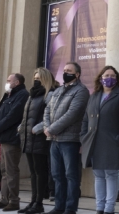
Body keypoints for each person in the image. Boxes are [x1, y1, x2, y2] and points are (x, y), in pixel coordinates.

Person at [81, 66, 119, 214]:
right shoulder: (94, 96)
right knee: (99, 175)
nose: (110, 78)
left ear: (117, 78)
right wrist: (83, 137)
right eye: (107, 75)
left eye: (113, 76)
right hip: (94, 141)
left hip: (112, 142)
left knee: (111, 174)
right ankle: (99, 207)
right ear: (101, 78)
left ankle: (109, 208)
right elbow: (85, 119)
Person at [43, 62, 90, 214]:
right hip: (54, 140)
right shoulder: (58, 90)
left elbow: (72, 114)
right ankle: (59, 206)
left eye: (69, 71)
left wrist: (51, 128)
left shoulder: (81, 91)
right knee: (57, 174)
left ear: (77, 75)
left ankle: (70, 208)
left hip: (70, 140)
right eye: (64, 70)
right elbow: (47, 109)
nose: (65, 73)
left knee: (71, 175)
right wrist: (46, 126)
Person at [0, 73, 29, 211]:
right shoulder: (8, 94)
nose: (6, 82)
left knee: (11, 171)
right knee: (4, 170)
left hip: (12, 138)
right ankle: (4, 199)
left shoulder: (22, 95)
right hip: (3, 137)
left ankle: (13, 200)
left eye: (8, 80)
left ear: (17, 82)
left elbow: (13, 116)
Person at [19, 68, 57, 214]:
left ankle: (39, 203)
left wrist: (39, 128)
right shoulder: (32, 95)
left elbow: (51, 116)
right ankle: (33, 201)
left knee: (41, 172)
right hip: (28, 138)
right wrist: (21, 127)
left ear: (46, 79)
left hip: (40, 138)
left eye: (39, 78)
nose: (36, 80)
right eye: (35, 77)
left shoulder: (50, 94)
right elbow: (26, 116)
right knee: (33, 173)